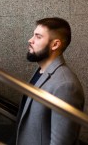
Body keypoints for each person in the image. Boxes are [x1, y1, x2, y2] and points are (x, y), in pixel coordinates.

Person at [15, 17, 85, 145]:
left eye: (38, 36)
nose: (30, 40)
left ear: (55, 44)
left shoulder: (66, 86)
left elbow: (61, 142)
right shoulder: (41, 72)